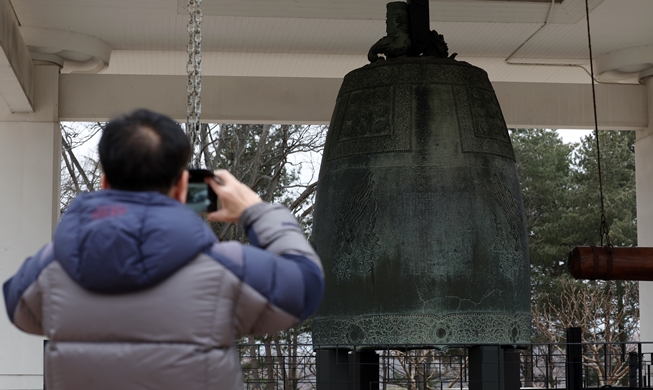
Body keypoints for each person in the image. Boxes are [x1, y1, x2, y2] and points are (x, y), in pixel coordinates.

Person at [2, 109, 324, 390]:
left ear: (104, 183)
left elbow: (16, 303)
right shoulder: (227, 270)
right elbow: (306, 284)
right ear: (182, 187)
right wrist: (256, 210)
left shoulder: (51, 269)